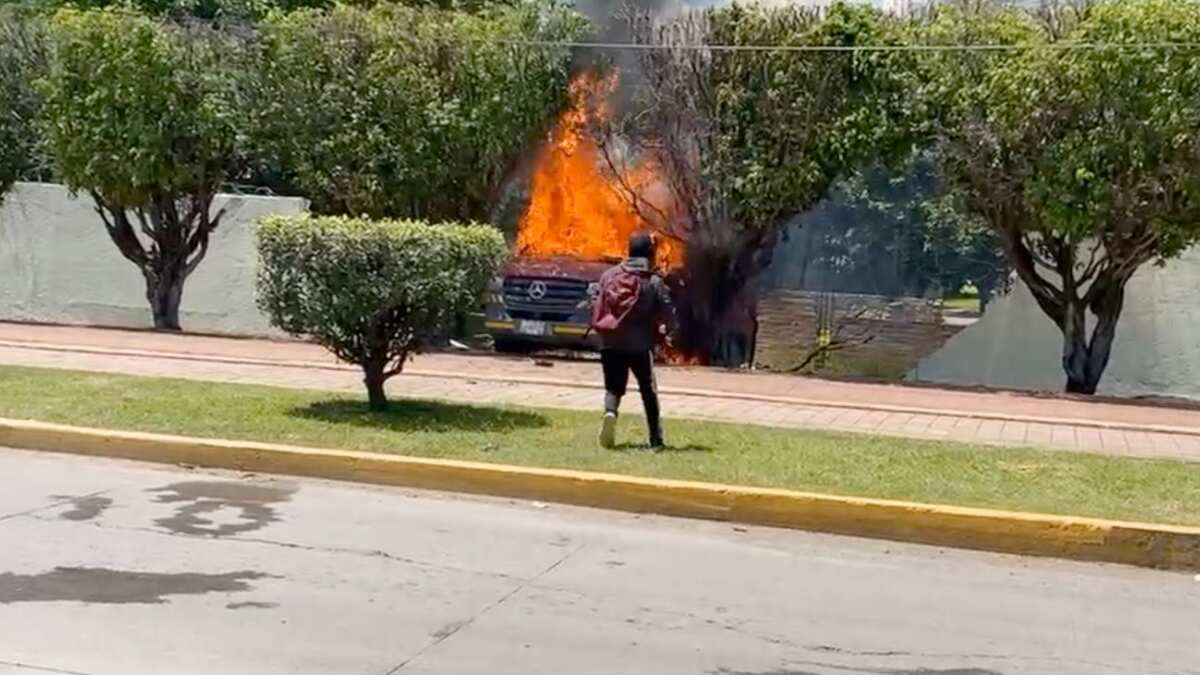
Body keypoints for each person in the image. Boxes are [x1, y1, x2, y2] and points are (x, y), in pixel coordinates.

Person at [590, 232, 675, 450]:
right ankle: (656, 440)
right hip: (639, 345)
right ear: (649, 253)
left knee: (613, 388)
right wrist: (668, 330)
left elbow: (596, 301)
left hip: (609, 341)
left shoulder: (609, 275)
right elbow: (668, 310)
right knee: (648, 390)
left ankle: (610, 412)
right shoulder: (652, 281)